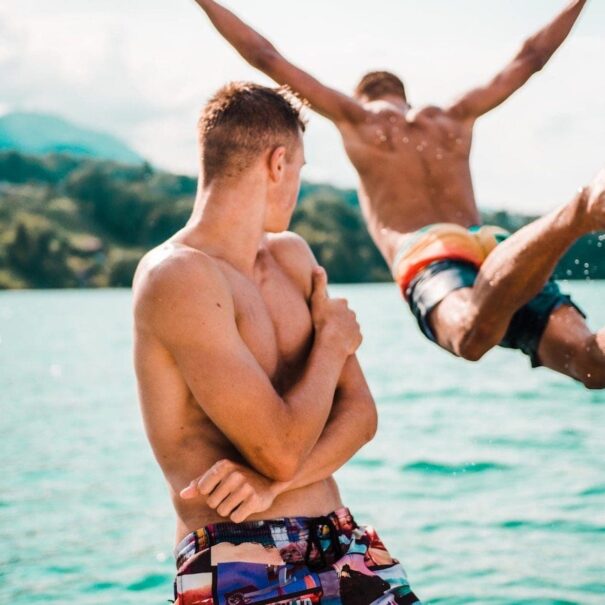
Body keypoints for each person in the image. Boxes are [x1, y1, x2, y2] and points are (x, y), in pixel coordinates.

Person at [193, 0, 605, 389]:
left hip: (431, 251)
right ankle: (571, 216)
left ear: (362, 96)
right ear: (404, 97)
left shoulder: (359, 120)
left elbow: (265, 56)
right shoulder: (452, 118)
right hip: (498, 248)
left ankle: (576, 211)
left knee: (469, 336)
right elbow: (532, 57)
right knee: (593, 363)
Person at [132, 82, 421, 604]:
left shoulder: (292, 256)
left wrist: (272, 488)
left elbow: (361, 415)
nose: (298, 187)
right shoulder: (178, 276)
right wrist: (331, 344)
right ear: (278, 163)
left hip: (341, 539)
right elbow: (280, 451)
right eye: (301, 170)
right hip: (238, 557)